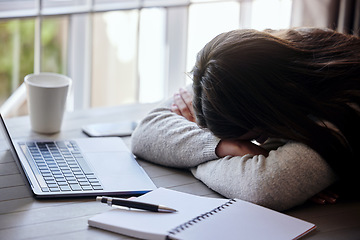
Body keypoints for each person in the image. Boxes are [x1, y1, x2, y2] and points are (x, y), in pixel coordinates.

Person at [131, 27, 360, 211]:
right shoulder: (248, 66)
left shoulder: (343, 110)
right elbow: (146, 132)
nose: (257, 144)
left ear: (269, 111)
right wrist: (226, 147)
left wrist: (190, 158)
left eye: (257, 137)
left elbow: (263, 187)